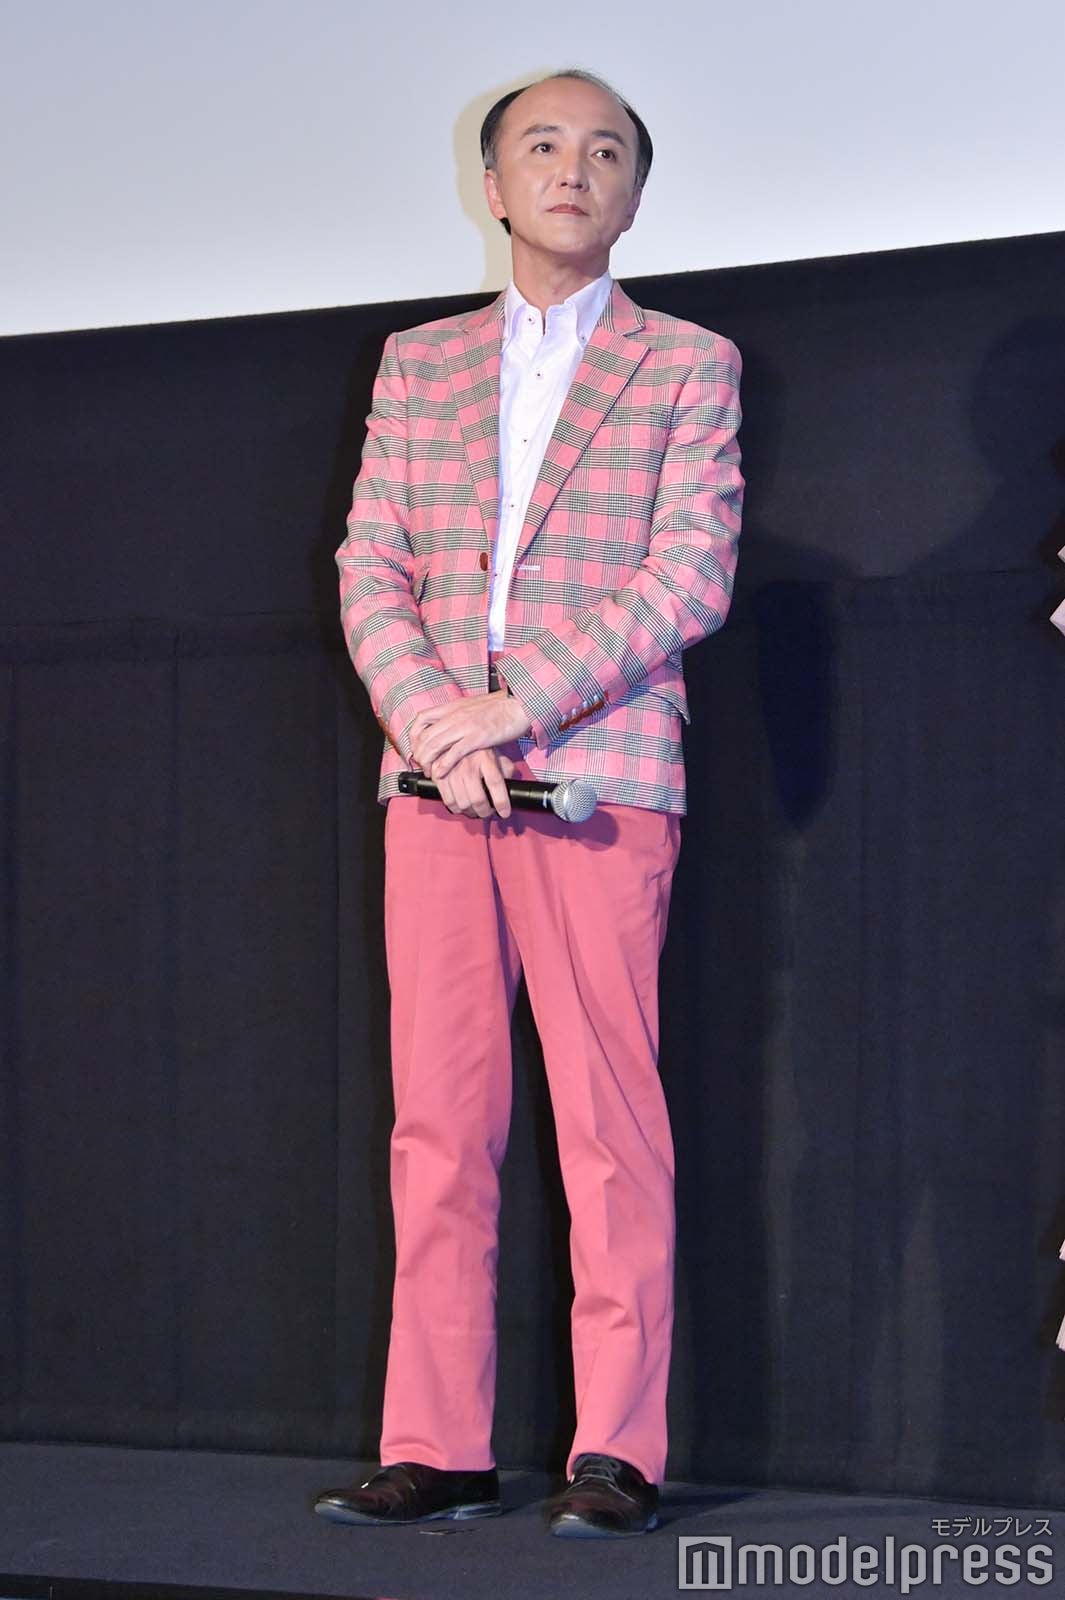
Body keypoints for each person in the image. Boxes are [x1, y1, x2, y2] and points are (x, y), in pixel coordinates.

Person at [314, 68, 743, 1538]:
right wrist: (437, 720)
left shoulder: (687, 363)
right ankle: (435, 1444)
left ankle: (616, 1448)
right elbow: (371, 564)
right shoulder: (416, 364)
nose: (574, 168)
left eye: (605, 149)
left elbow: (688, 575)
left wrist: (519, 704)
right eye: (543, 146)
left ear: (634, 194)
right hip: (437, 781)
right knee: (438, 1124)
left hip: (599, 775)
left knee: (610, 1122)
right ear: (491, 186)